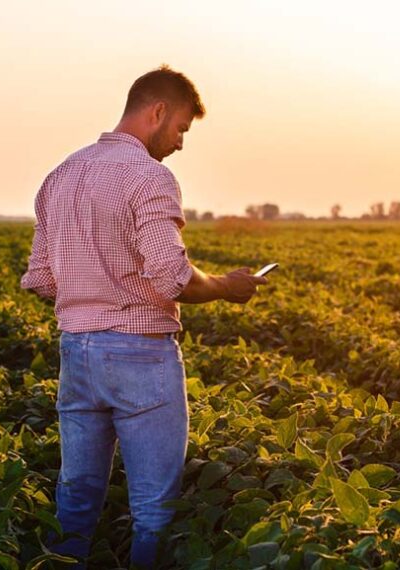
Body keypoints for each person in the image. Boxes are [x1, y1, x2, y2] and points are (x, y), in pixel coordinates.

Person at [20, 65, 268, 569]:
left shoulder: (61, 174)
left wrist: (93, 291)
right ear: (157, 112)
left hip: (76, 351)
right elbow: (172, 275)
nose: (179, 143)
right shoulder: (149, 177)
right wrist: (226, 286)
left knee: (76, 498)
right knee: (155, 509)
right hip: (139, 355)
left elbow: (42, 279)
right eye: (180, 128)